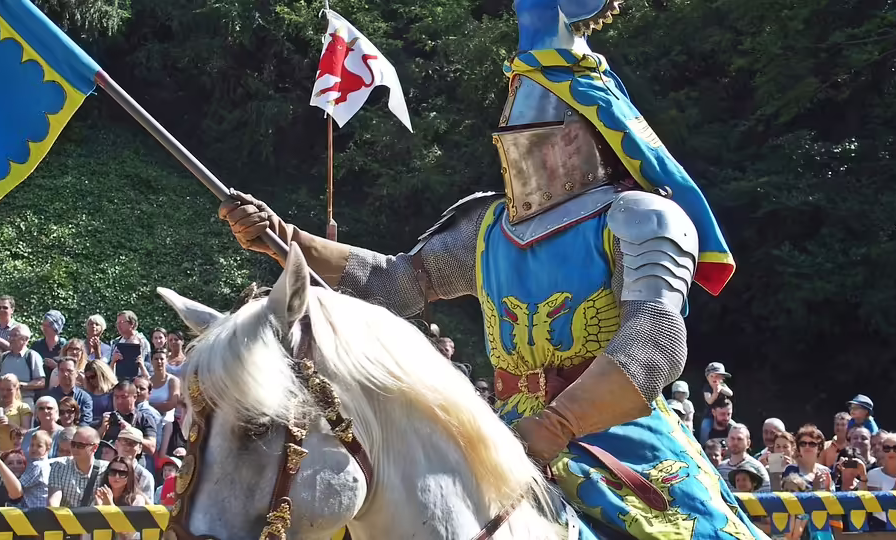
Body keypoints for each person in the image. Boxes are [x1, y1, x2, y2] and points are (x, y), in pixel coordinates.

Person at [217, 0, 761, 536]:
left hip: (617, 437)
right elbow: (396, 283)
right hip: (497, 434)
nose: (515, 131)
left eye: (535, 110)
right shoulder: (488, 229)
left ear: (586, 128)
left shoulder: (640, 218)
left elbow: (656, 343)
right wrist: (285, 241)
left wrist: (557, 425)